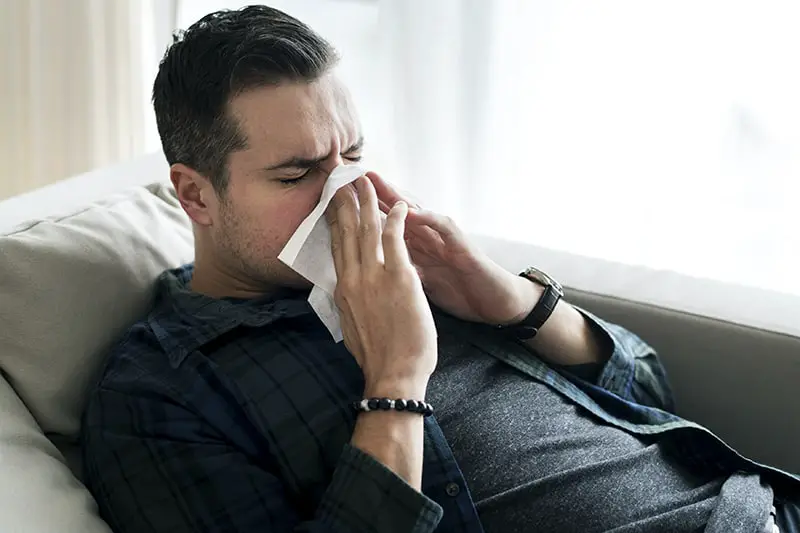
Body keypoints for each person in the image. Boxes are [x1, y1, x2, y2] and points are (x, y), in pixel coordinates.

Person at [81, 5, 799, 533]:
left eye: (353, 155)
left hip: (757, 505)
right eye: (299, 172)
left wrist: (514, 303)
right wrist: (396, 382)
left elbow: (651, 391)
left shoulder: (419, 271)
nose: (348, 193)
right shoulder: (158, 395)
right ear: (196, 193)